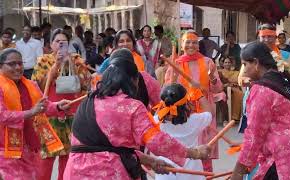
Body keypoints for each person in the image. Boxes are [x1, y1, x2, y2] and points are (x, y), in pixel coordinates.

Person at [63, 54, 212, 180]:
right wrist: (193, 153)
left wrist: (151, 161)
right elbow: (156, 140)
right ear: (132, 80)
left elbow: (113, 148)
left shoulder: (87, 102)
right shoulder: (131, 107)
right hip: (107, 172)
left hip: (75, 171)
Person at [231, 42, 290, 180]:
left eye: (244, 64)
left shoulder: (261, 90)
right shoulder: (281, 80)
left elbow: (254, 136)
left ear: (255, 63)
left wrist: (237, 173)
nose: (244, 70)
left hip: (287, 160)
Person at [0, 48, 71, 179]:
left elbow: (43, 107)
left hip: (30, 147)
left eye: (20, 63)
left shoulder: (30, 85)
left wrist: (58, 107)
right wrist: (31, 112)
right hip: (5, 149)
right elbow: (2, 115)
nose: (17, 67)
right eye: (11, 64)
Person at [31, 28, 92, 180]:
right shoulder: (43, 61)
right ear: (50, 44)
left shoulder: (76, 59)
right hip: (50, 116)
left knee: (69, 160)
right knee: (46, 159)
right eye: (57, 41)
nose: (60, 45)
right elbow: (38, 87)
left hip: (72, 115)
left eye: (63, 42)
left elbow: (84, 84)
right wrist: (55, 66)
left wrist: (70, 63)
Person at [165, 30, 224, 172]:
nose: (191, 45)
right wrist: (172, 81)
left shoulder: (207, 61)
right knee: (185, 151)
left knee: (205, 152)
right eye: (188, 42)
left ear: (198, 45)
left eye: (194, 42)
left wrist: (212, 78)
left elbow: (217, 89)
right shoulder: (175, 64)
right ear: (182, 44)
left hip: (205, 112)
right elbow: (166, 90)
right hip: (184, 113)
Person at [154, 84, 213, 180]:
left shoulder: (156, 122)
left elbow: (157, 116)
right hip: (192, 174)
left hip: (166, 173)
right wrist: (199, 94)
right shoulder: (195, 120)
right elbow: (209, 112)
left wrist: (161, 107)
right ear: (186, 103)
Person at [218, 57, 243, 122]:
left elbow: (237, 80)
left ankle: (236, 117)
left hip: (234, 87)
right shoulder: (219, 72)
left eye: (229, 62)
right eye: (225, 62)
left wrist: (231, 82)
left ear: (231, 64)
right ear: (222, 64)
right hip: (224, 88)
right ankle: (232, 117)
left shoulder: (236, 72)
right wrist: (228, 83)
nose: (227, 64)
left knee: (240, 93)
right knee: (236, 93)